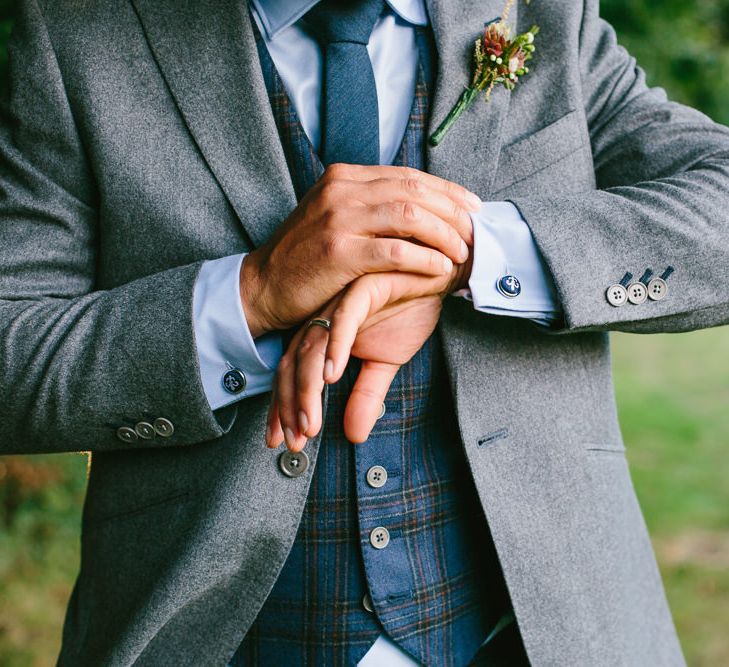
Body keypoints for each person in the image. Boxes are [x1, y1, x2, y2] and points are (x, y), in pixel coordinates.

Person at [1, 0, 727, 664]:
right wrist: (250, 294)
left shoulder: (536, 12)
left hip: (543, 630)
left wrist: (472, 251)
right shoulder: (79, 33)